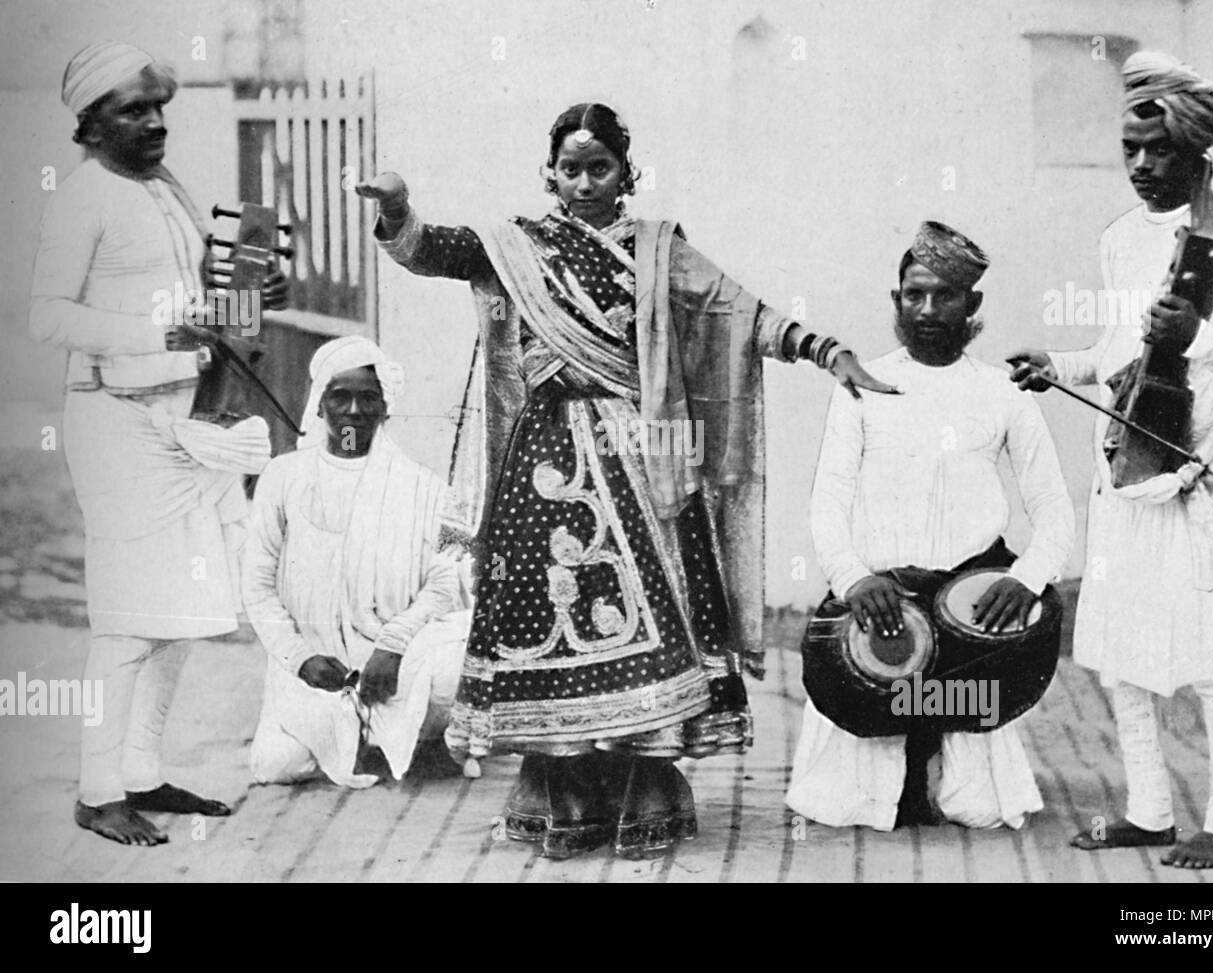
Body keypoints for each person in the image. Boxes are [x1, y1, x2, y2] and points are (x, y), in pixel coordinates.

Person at [356, 102, 896, 859]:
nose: (583, 182)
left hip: (640, 459)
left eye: (599, 168)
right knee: (545, 619)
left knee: (651, 615)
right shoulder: (516, 246)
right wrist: (397, 209)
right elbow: (431, 250)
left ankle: (647, 781)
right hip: (539, 463)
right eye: (570, 168)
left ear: (626, 175)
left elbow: (735, 308)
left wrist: (826, 350)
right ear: (550, 173)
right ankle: (559, 785)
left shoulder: (657, 250)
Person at [1010, 51, 1213, 869]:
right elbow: (1118, 350)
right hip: (1129, 474)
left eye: (1159, 151)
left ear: (1199, 158)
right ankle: (1148, 811)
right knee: (1121, 663)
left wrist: (1202, 338)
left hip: (1200, 484)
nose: (1140, 166)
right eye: (1131, 149)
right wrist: (1059, 366)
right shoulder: (1116, 240)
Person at [29, 41, 287, 846]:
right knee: (127, 617)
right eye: (131, 110)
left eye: (157, 107)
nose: (152, 123)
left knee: (180, 610)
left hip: (183, 414)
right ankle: (97, 789)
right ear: (90, 121)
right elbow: (48, 318)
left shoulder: (166, 190)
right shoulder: (82, 198)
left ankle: (142, 772)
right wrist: (153, 327)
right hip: (115, 420)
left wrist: (255, 290)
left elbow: (202, 295)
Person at [787, 222, 1075, 831]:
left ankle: (945, 765)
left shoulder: (1004, 392)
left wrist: (1025, 578)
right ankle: (894, 771)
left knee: (977, 808)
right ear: (896, 301)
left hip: (971, 607)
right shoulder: (861, 386)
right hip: (884, 601)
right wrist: (853, 579)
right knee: (850, 800)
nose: (926, 310)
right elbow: (828, 503)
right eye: (913, 295)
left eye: (945, 296)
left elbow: (1054, 510)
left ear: (972, 305)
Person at [243, 336, 472, 787]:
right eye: (339, 397)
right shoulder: (283, 477)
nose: (353, 411)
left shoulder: (426, 488)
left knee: (452, 670)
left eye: (368, 398)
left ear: (386, 407)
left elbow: (445, 581)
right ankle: (365, 738)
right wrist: (300, 657)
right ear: (319, 404)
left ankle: (419, 738)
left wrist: (392, 645)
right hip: (315, 667)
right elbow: (257, 586)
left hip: (396, 662)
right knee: (277, 765)